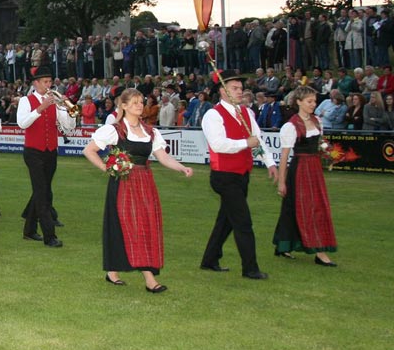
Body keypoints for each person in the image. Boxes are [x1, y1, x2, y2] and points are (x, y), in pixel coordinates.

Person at [83, 89, 193, 293]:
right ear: (123, 106)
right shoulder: (114, 130)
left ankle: (113, 271)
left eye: (141, 102)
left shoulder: (150, 131)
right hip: (123, 184)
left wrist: (181, 167)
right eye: (134, 102)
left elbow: (162, 156)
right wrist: (108, 169)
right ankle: (149, 279)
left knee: (146, 224)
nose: (139, 105)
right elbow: (89, 150)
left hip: (145, 183)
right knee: (129, 226)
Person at [200, 69, 278, 280]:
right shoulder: (213, 115)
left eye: (241, 88)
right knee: (243, 221)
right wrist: (246, 143)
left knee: (226, 219)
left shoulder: (247, 113)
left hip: (242, 173)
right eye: (234, 88)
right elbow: (218, 144)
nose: (239, 91)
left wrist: (270, 163)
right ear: (222, 91)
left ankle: (209, 259)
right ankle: (250, 268)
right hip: (224, 175)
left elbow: (258, 140)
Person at [272, 86, 338, 268]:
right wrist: (282, 182)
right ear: (299, 102)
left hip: (315, 169)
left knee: (297, 207)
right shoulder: (291, 126)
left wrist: (328, 154)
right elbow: (284, 157)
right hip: (300, 170)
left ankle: (283, 244)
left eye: (314, 101)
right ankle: (320, 252)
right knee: (308, 208)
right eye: (309, 101)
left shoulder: (317, 122)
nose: (313, 104)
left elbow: (321, 144)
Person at [17, 66, 75, 248]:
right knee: (43, 194)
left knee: (41, 190)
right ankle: (49, 236)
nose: (48, 85)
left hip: (51, 151)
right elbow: (22, 123)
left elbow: (68, 127)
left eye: (50, 82)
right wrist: (40, 108)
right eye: (45, 82)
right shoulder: (26, 101)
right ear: (36, 83)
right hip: (33, 151)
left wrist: (66, 108)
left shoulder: (55, 102)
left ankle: (29, 230)